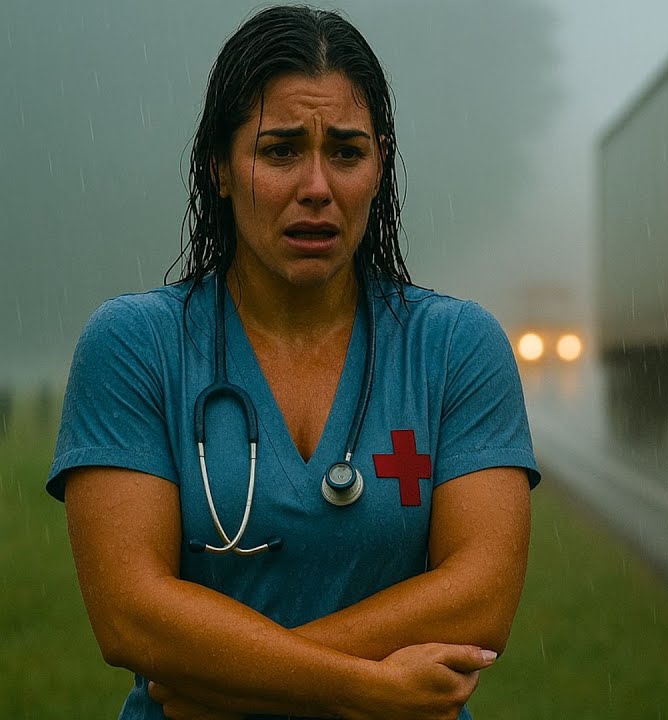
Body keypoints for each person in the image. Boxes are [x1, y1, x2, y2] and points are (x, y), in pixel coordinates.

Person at [46, 5, 539, 719]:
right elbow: (129, 614)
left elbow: (482, 595)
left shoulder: (457, 348)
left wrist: (222, 680)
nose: (317, 186)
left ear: (379, 168)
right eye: (279, 151)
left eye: (346, 151)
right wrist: (358, 688)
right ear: (218, 166)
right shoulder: (134, 345)